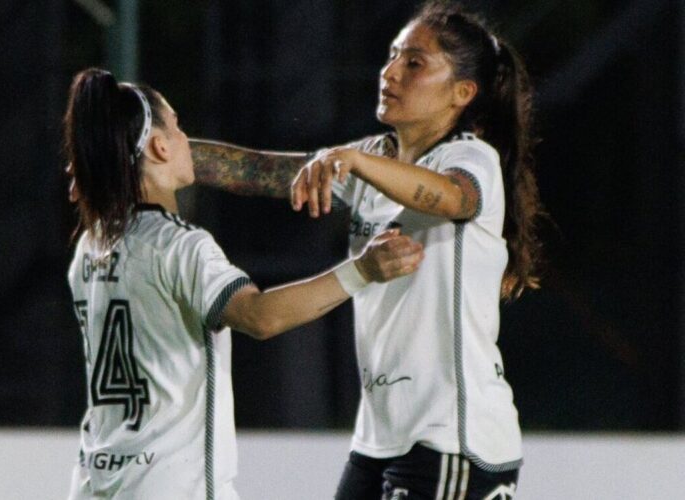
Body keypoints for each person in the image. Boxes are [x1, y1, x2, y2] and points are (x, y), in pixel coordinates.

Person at [190, 2, 544, 498]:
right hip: (381, 441)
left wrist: (352, 160)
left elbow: (452, 197)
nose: (391, 71)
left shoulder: (470, 158)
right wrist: (160, 150)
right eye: (393, 56)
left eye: (414, 63)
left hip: (450, 440)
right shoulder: (374, 161)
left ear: (462, 93)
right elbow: (257, 171)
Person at [62, 68, 424, 500]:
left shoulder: (91, 244)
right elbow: (260, 316)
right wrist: (362, 270)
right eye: (177, 126)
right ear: (160, 147)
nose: (185, 138)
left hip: (94, 481)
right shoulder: (180, 246)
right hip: (171, 486)